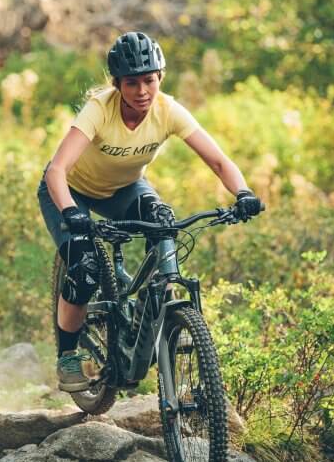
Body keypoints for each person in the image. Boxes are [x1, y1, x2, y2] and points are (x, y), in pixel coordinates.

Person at [39, 31, 263, 392]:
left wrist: (244, 192)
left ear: (160, 77)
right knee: (84, 268)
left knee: (163, 222)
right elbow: (56, 171)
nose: (142, 91)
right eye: (131, 83)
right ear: (117, 84)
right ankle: (67, 358)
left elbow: (219, 160)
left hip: (124, 190)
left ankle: (149, 306)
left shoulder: (168, 111)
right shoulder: (99, 109)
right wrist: (71, 212)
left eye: (149, 80)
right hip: (70, 192)